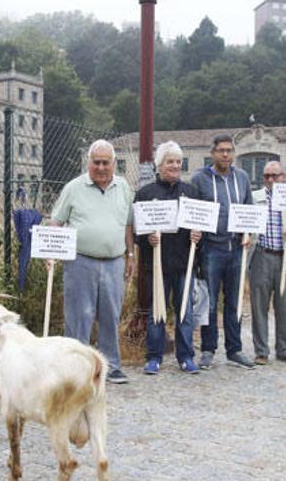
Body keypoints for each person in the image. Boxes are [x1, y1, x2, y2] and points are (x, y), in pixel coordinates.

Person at [49, 139, 136, 384]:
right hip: (80, 261)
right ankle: (76, 368)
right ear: (89, 163)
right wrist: (50, 252)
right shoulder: (73, 188)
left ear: (114, 163)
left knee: (111, 314)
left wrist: (130, 255)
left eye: (105, 163)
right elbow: (56, 222)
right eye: (95, 162)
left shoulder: (123, 188)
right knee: (79, 316)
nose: (100, 167)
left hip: (114, 261)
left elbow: (127, 224)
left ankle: (110, 365)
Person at [134, 141, 203, 375]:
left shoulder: (191, 193)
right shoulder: (145, 194)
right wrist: (148, 240)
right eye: (169, 161)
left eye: (177, 161)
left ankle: (186, 357)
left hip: (185, 263)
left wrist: (198, 234)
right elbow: (137, 232)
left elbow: (201, 224)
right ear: (159, 165)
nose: (175, 165)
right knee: (157, 312)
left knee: (185, 312)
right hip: (157, 265)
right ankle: (154, 356)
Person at [190, 134, 255, 370]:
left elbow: (249, 209)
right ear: (212, 153)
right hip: (211, 249)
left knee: (234, 301)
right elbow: (192, 212)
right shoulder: (200, 179)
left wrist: (248, 232)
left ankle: (235, 349)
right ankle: (208, 349)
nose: (225, 155)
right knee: (209, 302)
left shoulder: (243, 177)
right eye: (221, 151)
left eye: (229, 150)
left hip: (237, 249)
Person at [248, 161, 286, 365]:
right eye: (266, 176)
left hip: (285, 259)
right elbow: (244, 222)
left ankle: (285, 349)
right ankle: (261, 351)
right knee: (259, 306)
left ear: (284, 176)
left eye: (275, 175)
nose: (270, 180)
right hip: (261, 256)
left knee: (284, 307)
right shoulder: (254, 198)